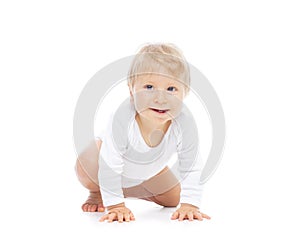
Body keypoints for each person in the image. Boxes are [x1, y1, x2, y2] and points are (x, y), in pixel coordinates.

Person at [75, 43, 211, 222]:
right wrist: (116, 205)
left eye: (171, 89)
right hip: (106, 162)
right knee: (87, 166)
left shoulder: (184, 122)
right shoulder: (122, 119)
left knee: (173, 199)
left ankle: (128, 188)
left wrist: (190, 204)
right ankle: (98, 191)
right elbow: (109, 163)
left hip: (147, 169)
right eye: (149, 87)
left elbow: (192, 165)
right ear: (131, 91)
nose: (160, 98)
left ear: (184, 93)